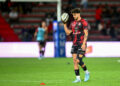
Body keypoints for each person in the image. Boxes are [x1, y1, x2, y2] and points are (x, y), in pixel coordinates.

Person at [62, 8, 90, 83]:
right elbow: (68, 32)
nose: (74, 16)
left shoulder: (84, 22)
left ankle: (87, 72)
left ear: (78, 14)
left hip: (81, 43)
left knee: (78, 60)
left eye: (75, 14)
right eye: (73, 15)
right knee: (75, 61)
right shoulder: (72, 23)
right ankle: (78, 78)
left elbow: (86, 33)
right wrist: (64, 25)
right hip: (74, 44)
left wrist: (84, 44)